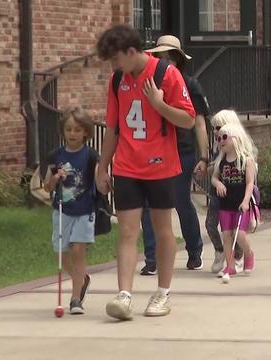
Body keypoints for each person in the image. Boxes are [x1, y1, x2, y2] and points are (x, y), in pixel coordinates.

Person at [95, 24, 195, 319]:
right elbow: (112, 129)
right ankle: (124, 295)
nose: (114, 66)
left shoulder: (167, 74)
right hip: (127, 165)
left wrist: (159, 104)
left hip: (161, 165)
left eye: (116, 59)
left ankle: (162, 294)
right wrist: (103, 167)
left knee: (163, 230)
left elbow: (188, 120)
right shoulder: (117, 81)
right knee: (127, 230)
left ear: (131, 51)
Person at [138, 35, 209, 275]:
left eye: (169, 57)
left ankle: (194, 252)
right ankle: (152, 258)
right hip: (154, 151)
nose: (165, 61)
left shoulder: (190, 84)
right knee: (148, 206)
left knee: (180, 201)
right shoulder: (148, 83)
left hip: (183, 151)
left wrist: (204, 156)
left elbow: (199, 123)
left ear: (178, 59)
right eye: (160, 57)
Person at [43, 107, 95, 315]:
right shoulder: (56, 156)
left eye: (77, 130)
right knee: (61, 254)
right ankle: (82, 279)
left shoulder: (91, 156)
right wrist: (55, 179)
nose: (72, 133)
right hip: (62, 210)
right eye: (69, 129)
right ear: (63, 131)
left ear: (86, 133)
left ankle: (75, 299)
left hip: (84, 209)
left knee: (77, 250)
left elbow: (100, 177)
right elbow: (47, 186)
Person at [207, 110, 255, 274]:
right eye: (218, 136)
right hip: (224, 204)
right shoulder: (220, 159)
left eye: (223, 136)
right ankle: (230, 265)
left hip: (240, 203)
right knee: (225, 235)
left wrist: (246, 200)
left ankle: (247, 254)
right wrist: (217, 182)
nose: (219, 139)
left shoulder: (246, 159)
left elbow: (250, 183)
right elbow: (214, 177)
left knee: (239, 234)